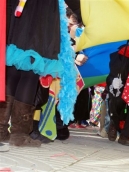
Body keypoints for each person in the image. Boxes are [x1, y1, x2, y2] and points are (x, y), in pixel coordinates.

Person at [0, 0, 76, 147]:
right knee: (30, 72)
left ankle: (1, 130)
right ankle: (19, 134)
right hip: (41, 16)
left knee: (13, 69)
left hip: (18, 12)